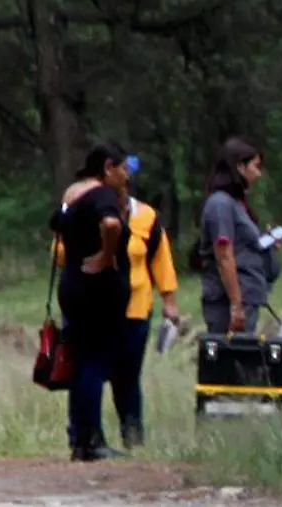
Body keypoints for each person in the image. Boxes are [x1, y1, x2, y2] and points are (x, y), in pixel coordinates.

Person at [50, 143, 133, 461]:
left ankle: (79, 436)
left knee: (80, 361)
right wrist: (106, 256)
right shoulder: (102, 195)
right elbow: (110, 224)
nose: (126, 176)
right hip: (96, 291)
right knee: (93, 364)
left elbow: (58, 223)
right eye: (123, 169)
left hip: (72, 286)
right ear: (108, 167)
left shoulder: (73, 193)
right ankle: (93, 440)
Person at [115, 167, 181, 447]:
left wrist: (169, 300)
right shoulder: (88, 211)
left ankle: (133, 437)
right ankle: (88, 437)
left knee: (128, 376)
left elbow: (161, 259)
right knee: (93, 373)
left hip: (136, 308)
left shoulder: (146, 216)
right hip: (96, 309)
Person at [198, 136, 281, 334]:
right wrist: (236, 304)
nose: (258, 174)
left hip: (249, 296)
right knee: (230, 358)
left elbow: (241, 245)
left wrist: (265, 244)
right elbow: (224, 255)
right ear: (240, 167)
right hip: (228, 302)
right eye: (255, 166)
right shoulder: (221, 204)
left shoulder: (237, 204)